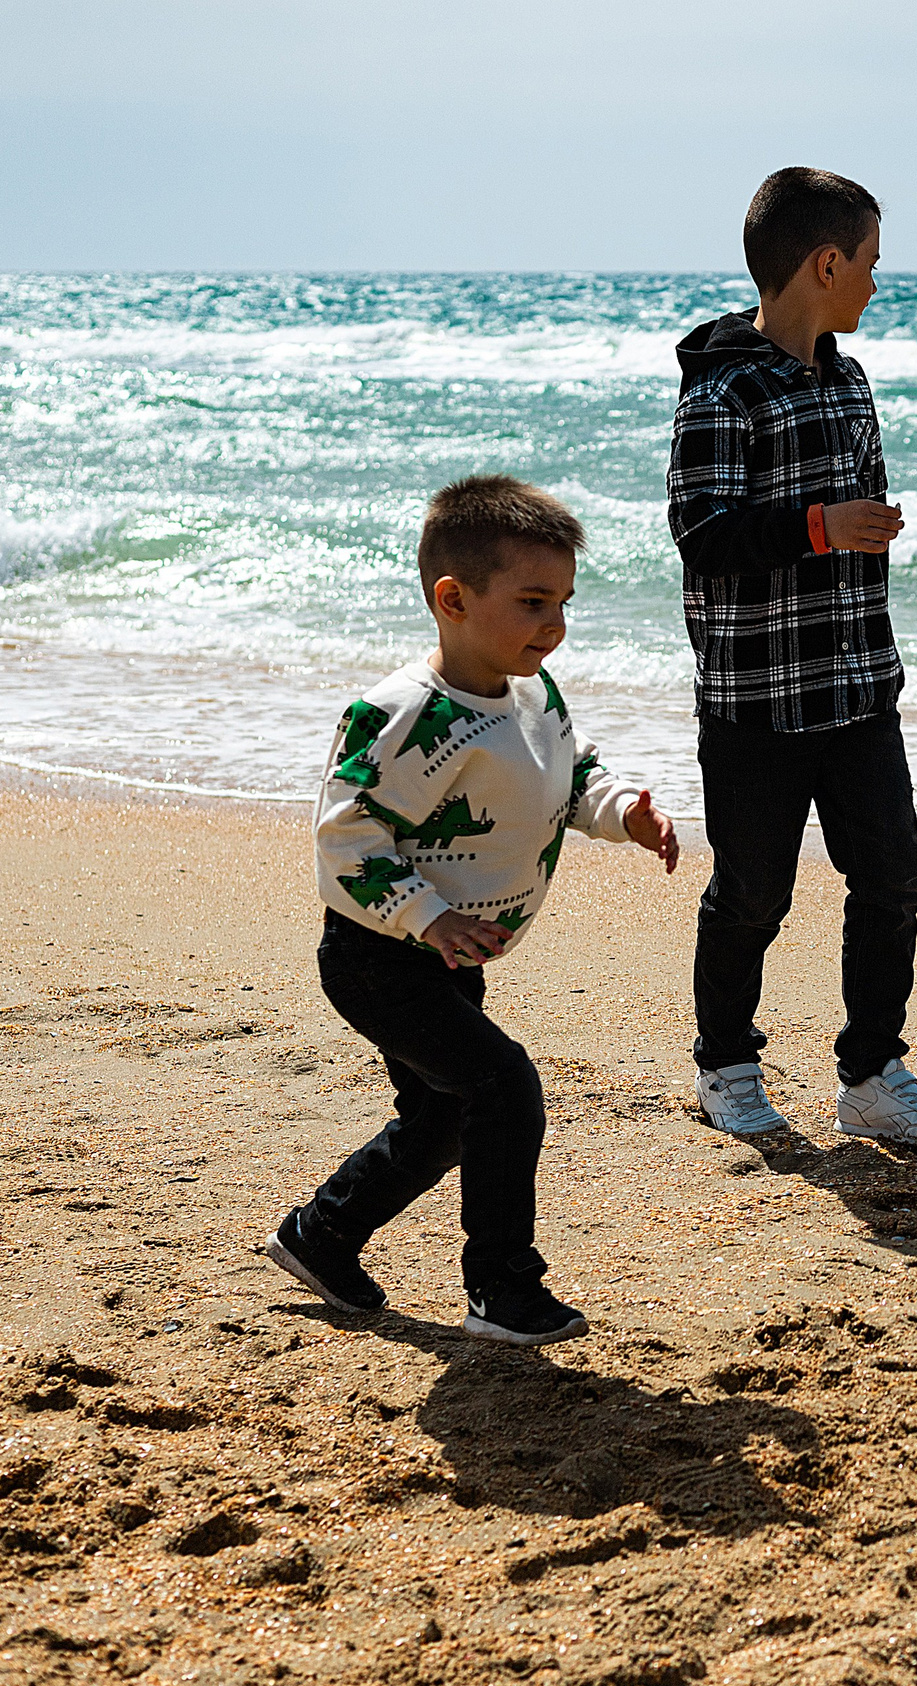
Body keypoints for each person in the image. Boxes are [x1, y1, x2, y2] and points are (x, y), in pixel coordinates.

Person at [267, 475, 681, 1348]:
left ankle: (323, 1232)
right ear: (452, 599)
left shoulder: (534, 694)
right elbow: (344, 838)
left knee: (447, 1116)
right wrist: (427, 916)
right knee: (504, 1088)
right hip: (379, 956)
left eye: (564, 602)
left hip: (452, 957)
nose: (553, 624)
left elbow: (570, 776)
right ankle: (502, 1288)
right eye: (532, 601)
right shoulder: (406, 716)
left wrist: (625, 814)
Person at [664, 166, 917, 1150]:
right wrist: (821, 525)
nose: (876, 285)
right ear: (825, 263)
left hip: (856, 689)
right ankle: (726, 1064)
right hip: (754, 702)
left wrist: (863, 529)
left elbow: (847, 520)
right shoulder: (722, 391)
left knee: (893, 881)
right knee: (753, 893)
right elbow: (702, 534)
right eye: (869, 264)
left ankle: (872, 1074)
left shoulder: (847, 377)